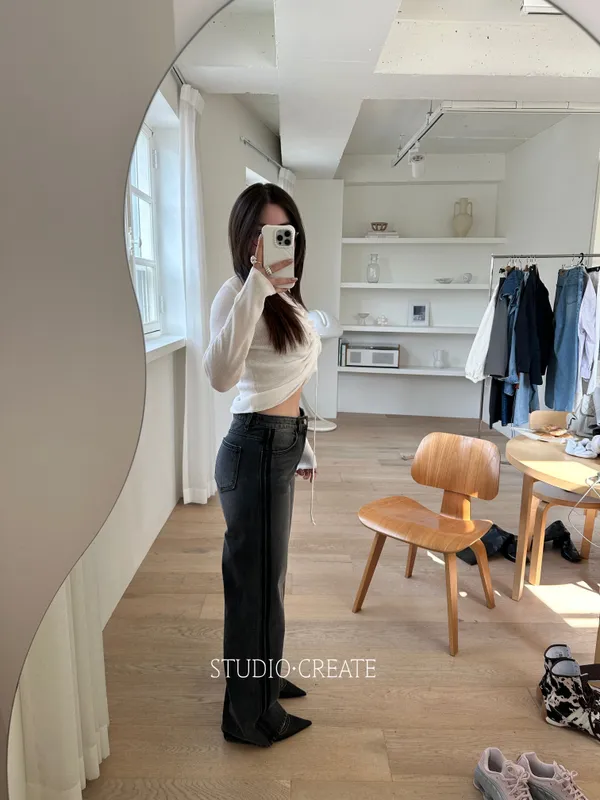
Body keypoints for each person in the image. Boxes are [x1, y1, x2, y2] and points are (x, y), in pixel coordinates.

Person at [203, 183, 321, 746]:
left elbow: (285, 377)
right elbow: (221, 376)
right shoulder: (236, 293)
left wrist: (303, 446)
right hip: (254, 450)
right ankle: (248, 717)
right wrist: (255, 283)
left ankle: (262, 680)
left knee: (266, 580)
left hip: (278, 445)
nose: (268, 243)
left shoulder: (286, 295)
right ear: (244, 237)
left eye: (280, 232)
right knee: (253, 588)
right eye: (259, 233)